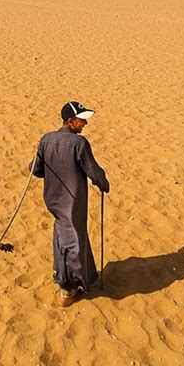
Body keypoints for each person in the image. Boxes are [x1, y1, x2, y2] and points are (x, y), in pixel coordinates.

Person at [30, 101, 110, 307]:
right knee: (72, 236)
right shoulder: (79, 144)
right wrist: (103, 183)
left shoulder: (46, 139)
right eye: (81, 120)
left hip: (52, 199)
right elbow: (93, 170)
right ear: (70, 121)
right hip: (72, 201)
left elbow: (35, 168)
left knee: (63, 233)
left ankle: (79, 278)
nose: (85, 124)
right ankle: (68, 286)